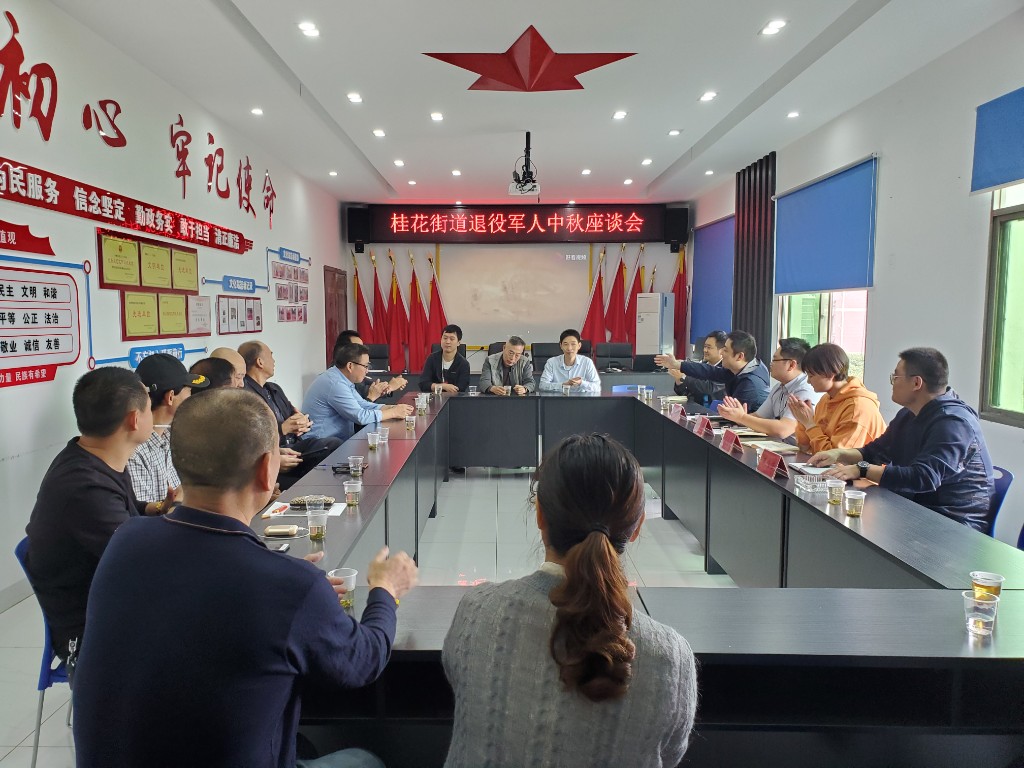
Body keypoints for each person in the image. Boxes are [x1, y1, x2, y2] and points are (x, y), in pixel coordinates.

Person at [72, 388, 418, 768]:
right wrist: (386, 590)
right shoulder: (289, 586)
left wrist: (284, 579)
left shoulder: (126, 540)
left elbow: (199, 592)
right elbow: (363, 661)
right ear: (267, 468)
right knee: (364, 760)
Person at [442, 434, 697, 768]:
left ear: (540, 516)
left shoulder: (477, 612)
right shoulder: (671, 656)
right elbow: (671, 754)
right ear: (636, 529)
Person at [23, 367, 174, 662]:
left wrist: (158, 508)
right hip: (93, 632)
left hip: (115, 597)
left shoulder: (95, 455)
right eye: (148, 407)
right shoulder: (85, 487)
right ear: (134, 420)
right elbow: (141, 561)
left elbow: (127, 510)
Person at [810, 347, 995, 532]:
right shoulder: (908, 414)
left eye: (896, 377)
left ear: (916, 383)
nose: (892, 383)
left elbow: (924, 477)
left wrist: (862, 469)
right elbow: (874, 452)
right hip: (912, 506)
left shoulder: (953, 422)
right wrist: (838, 454)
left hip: (952, 521)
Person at [239, 341, 341, 477]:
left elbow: (294, 415)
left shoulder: (274, 389)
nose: (274, 360)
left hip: (295, 445)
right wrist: (282, 429)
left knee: (334, 444)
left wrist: (302, 422)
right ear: (260, 362)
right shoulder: (245, 395)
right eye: (271, 355)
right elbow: (252, 438)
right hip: (271, 452)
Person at [127, 353, 209, 503]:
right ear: (170, 397)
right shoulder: (135, 452)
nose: (191, 398)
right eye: (189, 391)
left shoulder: (173, 435)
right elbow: (142, 514)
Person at [302, 343, 414, 442]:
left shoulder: (342, 379)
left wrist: (391, 407)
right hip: (322, 444)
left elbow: (362, 404)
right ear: (350, 366)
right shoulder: (335, 384)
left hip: (337, 441)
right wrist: (393, 413)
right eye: (365, 366)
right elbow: (360, 416)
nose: (367, 371)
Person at [790, 343, 886, 453]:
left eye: (811, 376)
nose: (808, 381)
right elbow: (805, 448)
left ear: (831, 373)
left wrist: (809, 424)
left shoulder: (857, 408)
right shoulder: (826, 399)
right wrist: (803, 420)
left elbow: (836, 457)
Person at [715, 338, 819, 440]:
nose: (770, 363)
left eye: (775, 359)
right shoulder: (779, 387)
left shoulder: (805, 390)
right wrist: (735, 415)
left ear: (791, 365)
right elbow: (758, 417)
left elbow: (783, 430)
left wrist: (742, 417)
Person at [655, 330, 770, 411]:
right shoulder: (739, 369)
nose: (721, 353)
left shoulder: (750, 384)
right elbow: (709, 371)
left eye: (725, 350)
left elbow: (738, 418)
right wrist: (678, 364)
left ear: (740, 356)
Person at [333, 330, 408, 400]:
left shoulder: (353, 372)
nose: (362, 350)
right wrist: (390, 387)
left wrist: (389, 387)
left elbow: (371, 389)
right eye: (358, 347)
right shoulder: (337, 381)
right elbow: (363, 402)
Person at [668, 330, 727, 403]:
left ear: (721, 350)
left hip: (715, 408)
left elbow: (708, 388)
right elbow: (686, 393)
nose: (705, 350)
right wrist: (679, 381)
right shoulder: (701, 365)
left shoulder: (725, 369)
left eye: (709, 347)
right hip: (694, 407)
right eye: (704, 346)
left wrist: (683, 378)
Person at [538, 328, 601, 394]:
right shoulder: (552, 362)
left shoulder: (587, 362)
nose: (569, 348)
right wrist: (563, 385)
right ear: (561, 346)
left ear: (579, 345)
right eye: (565, 344)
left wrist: (581, 383)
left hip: (580, 399)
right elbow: (543, 385)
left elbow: (597, 387)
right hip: (558, 399)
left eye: (573, 344)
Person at [419, 324, 471, 393]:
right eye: (445, 338)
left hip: (454, 398)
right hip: (433, 397)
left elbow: (461, 388)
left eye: (452, 339)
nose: (447, 342)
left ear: (458, 343)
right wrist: (443, 386)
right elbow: (423, 384)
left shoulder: (464, 364)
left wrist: (436, 387)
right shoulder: (432, 359)